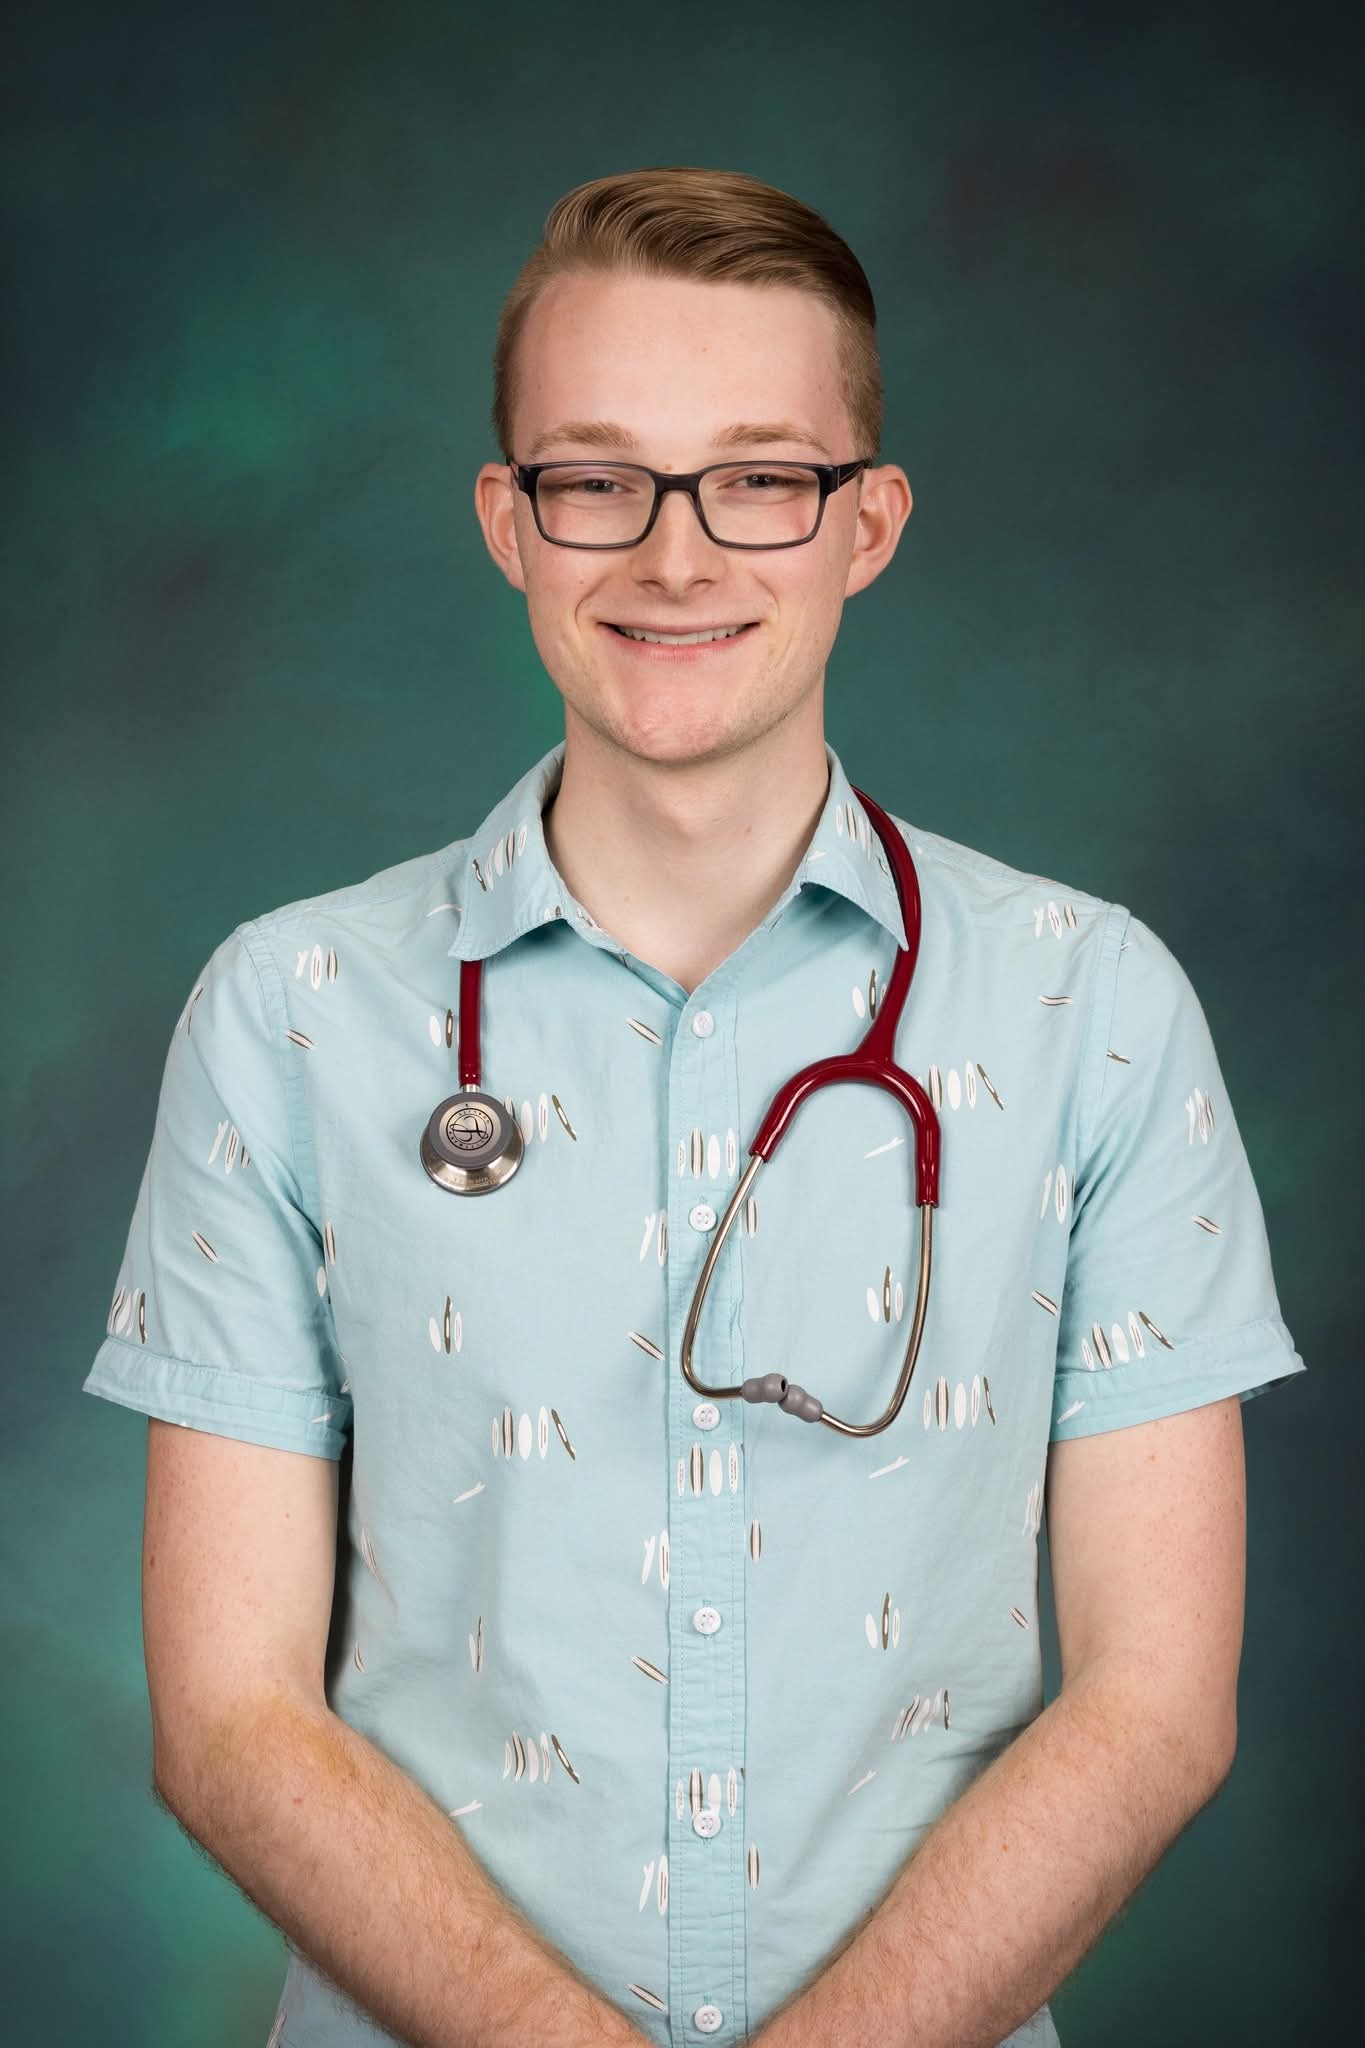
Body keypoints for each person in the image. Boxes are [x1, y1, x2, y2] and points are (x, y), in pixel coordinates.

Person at [83, 166, 1306, 2048]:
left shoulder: (1093, 1007)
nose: (675, 558)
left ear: (865, 524)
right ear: (508, 521)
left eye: (758, 479)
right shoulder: (292, 1012)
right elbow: (230, 1720)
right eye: (598, 480)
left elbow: (1153, 1704)